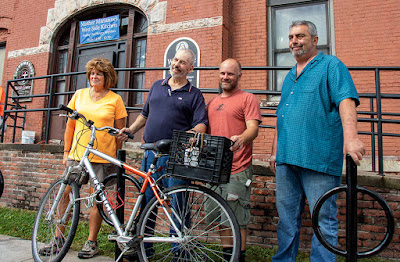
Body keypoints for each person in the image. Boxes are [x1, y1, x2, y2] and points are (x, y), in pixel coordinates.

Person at [269, 20, 365, 262]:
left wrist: (351, 138)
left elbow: (346, 100)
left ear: (314, 40)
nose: (293, 41)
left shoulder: (332, 65)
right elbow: (283, 115)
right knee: (286, 220)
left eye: (299, 36)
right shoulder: (290, 76)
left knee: (323, 218)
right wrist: (274, 152)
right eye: (291, 37)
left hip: (318, 157)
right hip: (286, 158)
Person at [117, 48, 208, 258]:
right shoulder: (157, 86)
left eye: (183, 62)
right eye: (176, 60)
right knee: (147, 202)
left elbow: (202, 124)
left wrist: (190, 135)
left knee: (179, 204)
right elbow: (144, 114)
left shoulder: (194, 94)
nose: (177, 64)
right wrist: (131, 130)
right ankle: (144, 249)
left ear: (190, 68)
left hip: (176, 156)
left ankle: (179, 250)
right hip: (150, 155)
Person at [40, 57, 128, 259]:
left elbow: (119, 131)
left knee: (97, 199)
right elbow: (70, 126)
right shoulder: (79, 95)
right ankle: (58, 238)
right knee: (66, 194)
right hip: (78, 155)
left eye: (99, 73)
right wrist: (66, 152)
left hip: (102, 156)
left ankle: (91, 242)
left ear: (108, 77)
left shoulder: (115, 99)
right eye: (92, 73)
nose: (94, 76)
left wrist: (113, 155)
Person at [207, 58, 261, 262]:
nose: (225, 77)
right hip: (214, 170)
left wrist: (242, 138)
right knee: (222, 218)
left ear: (239, 75)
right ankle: (227, 257)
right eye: (222, 73)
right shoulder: (212, 102)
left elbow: (253, 128)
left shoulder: (247, 98)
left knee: (238, 220)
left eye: (230, 74)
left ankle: (239, 258)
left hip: (238, 167)